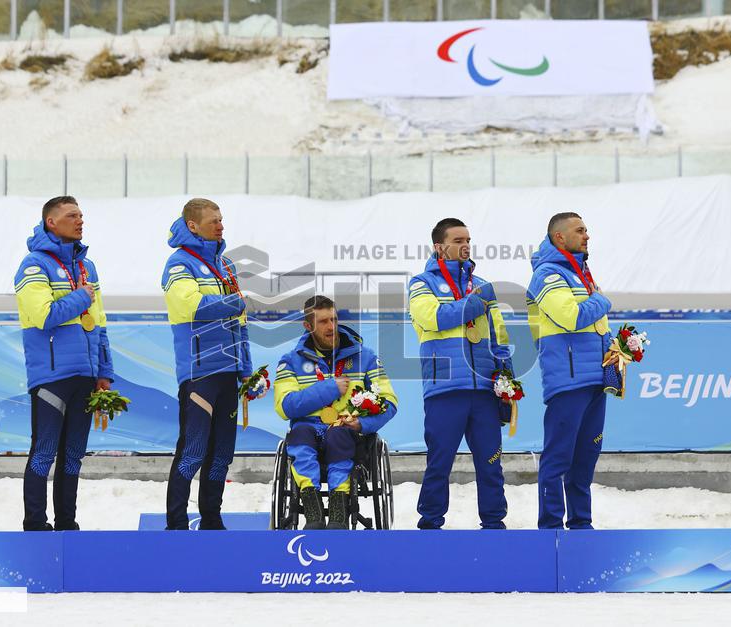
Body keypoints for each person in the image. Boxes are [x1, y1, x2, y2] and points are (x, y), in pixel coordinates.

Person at [15, 196, 115, 531]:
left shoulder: (88, 267)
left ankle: (67, 523)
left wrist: (104, 372)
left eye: (82, 215)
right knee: (44, 451)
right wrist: (81, 296)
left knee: (73, 456)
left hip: (86, 375)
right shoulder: (33, 265)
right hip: (52, 375)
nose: (80, 220)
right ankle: (34, 523)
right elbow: (43, 316)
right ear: (51, 222)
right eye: (72, 215)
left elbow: (99, 325)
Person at [409, 218, 513, 530]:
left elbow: (500, 337)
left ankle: (495, 524)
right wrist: (475, 303)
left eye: (468, 239)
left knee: (491, 464)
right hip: (445, 389)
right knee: (439, 463)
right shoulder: (421, 283)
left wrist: (507, 379)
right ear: (439, 247)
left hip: (483, 390)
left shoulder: (481, 286)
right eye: (457, 240)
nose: (465, 244)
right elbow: (434, 318)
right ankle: (430, 524)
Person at [162, 198, 253, 530]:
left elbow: (240, 321)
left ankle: (212, 519)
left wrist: (246, 369)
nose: (221, 225)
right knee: (193, 450)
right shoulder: (178, 264)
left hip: (229, 371)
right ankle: (176, 523)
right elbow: (191, 305)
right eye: (214, 220)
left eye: (222, 219)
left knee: (222, 454)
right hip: (199, 372)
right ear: (192, 225)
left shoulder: (225, 265)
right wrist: (233, 301)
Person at [274, 296, 398, 529]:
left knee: (338, 435)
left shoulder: (366, 357)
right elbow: (285, 406)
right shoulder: (290, 361)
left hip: (347, 433)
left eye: (334, 319)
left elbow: (389, 402)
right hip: (308, 430)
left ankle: (339, 510)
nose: (331, 327)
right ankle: (312, 509)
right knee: (299, 434)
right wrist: (329, 388)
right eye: (322, 322)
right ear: (308, 326)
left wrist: (362, 423)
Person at [526, 212, 613, 530]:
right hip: (568, 381)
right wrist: (602, 301)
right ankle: (550, 527)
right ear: (559, 237)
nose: (587, 235)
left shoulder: (582, 274)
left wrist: (615, 351)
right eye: (580, 230)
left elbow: (595, 326)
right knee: (559, 457)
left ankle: (581, 523)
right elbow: (570, 317)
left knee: (586, 458)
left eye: (587, 230)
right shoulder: (547, 274)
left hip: (593, 380)